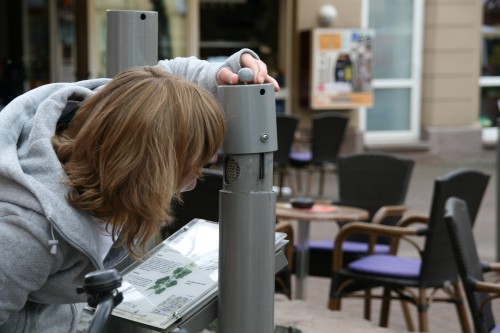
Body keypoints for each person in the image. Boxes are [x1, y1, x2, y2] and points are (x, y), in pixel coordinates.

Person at [0, 49, 279, 332]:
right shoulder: (25, 235)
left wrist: (221, 77)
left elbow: (160, 87)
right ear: (151, 169)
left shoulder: (112, 118)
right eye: (191, 167)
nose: (195, 181)